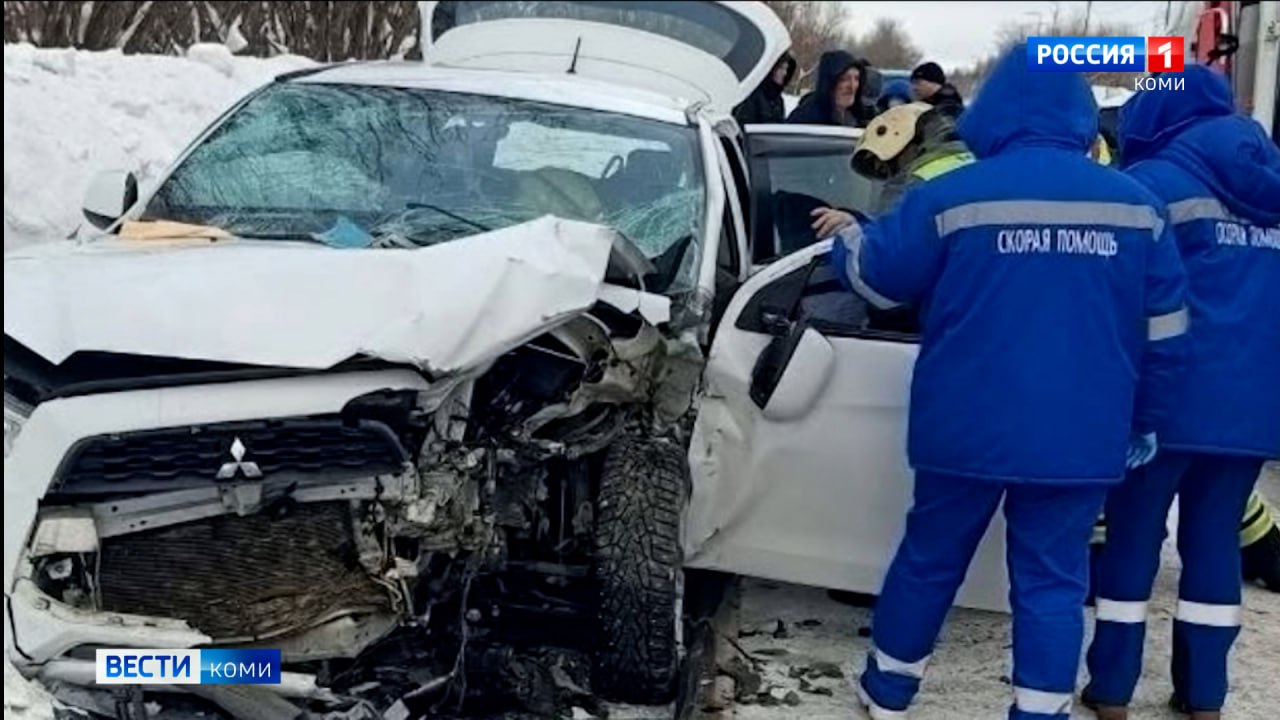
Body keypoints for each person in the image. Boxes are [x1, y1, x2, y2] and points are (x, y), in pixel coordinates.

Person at [828, 45, 1189, 720]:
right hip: (1082, 432)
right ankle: (1041, 709)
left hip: (963, 424)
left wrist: (848, 240)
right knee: (1053, 580)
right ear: (1079, 113)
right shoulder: (1139, 207)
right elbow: (1166, 335)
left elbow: (879, 281)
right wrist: (1146, 418)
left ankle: (888, 690)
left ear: (995, 110)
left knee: (930, 557)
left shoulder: (951, 195)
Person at [1083, 65, 1280, 720]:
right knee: (1216, 541)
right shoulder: (1273, 182)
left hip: (1162, 401)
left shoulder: (1153, 184)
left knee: (1133, 538)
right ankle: (1205, 695)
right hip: (1253, 407)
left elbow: (1117, 294)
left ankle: (1112, 689)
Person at [787, 50, 872, 127]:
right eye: (844, 79)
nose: (852, 86)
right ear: (828, 83)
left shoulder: (861, 118)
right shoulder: (805, 119)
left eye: (857, 78)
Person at [733, 53, 797, 126]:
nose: (784, 73)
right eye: (781, 68)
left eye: (787, 69)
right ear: (771, 68)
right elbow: (745, 124)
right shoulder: (753, 95)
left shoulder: (778, 99)